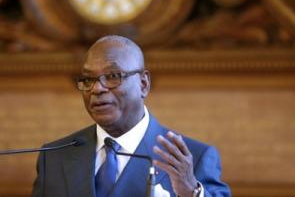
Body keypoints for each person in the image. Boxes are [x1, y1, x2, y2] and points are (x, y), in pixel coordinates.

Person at [32, 35, 230, 197]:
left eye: (112, 76)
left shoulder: (194, 158)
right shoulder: (54, 156)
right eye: (88, 79)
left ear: (143, 84)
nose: (97, 88)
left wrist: (192, 192)